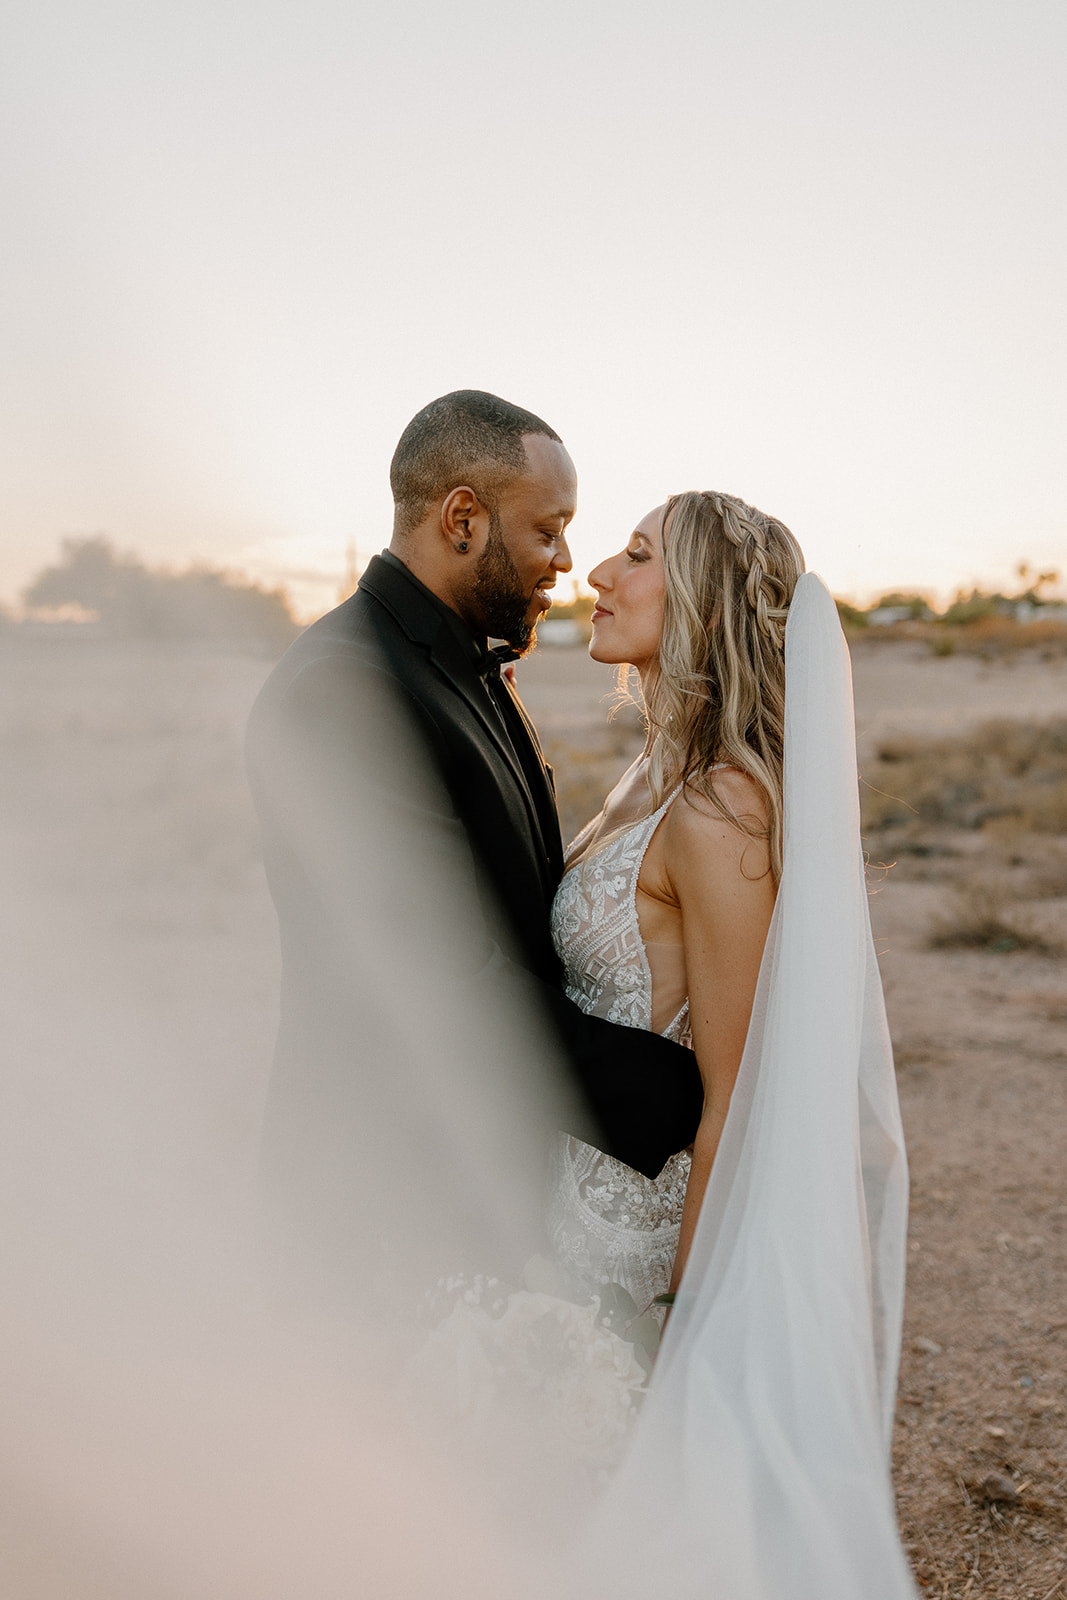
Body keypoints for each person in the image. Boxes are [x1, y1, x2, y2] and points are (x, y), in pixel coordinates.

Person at [245, 391, 703, 1299]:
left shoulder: (462, 661)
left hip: (475, 1184)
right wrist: (694, 1099)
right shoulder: (343, 685)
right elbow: (441, 981)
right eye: (548, 529)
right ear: (463, 518)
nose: (568, 562)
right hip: (381, 1207)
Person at [546, 490, 798, 1309]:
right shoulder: (654, 771)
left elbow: (736, 1094)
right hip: (566, 1203)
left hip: (638, 1256)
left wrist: (688, 1321)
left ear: (711, 611)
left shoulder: (722, 808)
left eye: (638, 555)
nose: (598, 572)